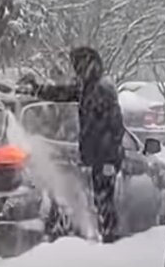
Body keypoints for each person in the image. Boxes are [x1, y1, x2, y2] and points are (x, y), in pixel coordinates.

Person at [16, 47, 125, 243]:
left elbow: (115, 126)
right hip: (95, 157)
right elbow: (63, 93)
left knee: (104, 200)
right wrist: (38, 90)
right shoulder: (88, 87)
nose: (76, 72)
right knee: (99, 200)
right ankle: (104, 236)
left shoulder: (102, 90)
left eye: (78, 66)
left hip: (105, 157)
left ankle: (110, 239)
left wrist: (109, 158)